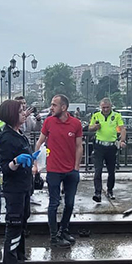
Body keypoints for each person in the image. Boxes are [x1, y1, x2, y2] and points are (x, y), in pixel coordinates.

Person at [0, 98, 34, 264]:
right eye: (21, 111)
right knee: (14, 229)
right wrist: (16, 161)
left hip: (25, 187)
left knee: (22, 225)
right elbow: (5, 167)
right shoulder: (7, 137)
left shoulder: (19, 133)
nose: (24, 114)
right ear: (11, 115)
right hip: (15, 190)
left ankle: (19, 259)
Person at [35, 94, 84, 247]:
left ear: (63, 108)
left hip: (70, 170)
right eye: (51, 104)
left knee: (69, 203)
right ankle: (54, 236)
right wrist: (36, 164)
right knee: (54, 203)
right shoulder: (49, 122)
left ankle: (64, 229)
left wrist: (76, 168)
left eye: (54, 105)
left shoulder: (75, 124)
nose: (51, 107)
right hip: (54, 170)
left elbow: (79, 146)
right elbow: (39, 143)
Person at [88, 98, 126, 203]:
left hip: (111, 147)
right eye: (103, 107)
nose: (105, 109)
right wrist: (95, 127)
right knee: (98, 170)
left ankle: (110, 190)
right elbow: (89, 127)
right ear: (100, 107)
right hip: (99, 146)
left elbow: (122, 128)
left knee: (111, 171)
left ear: (111, 106)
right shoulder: (96, 115)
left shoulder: (116, 116)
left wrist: (122, 140)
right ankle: (97, 193)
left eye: (107, 107)